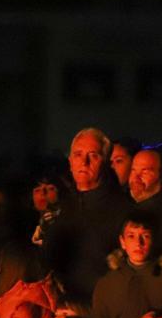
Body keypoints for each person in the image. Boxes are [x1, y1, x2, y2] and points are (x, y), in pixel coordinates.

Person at [43, 128, 131, 303]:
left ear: (106, 163)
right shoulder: (62, 207)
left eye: (93, 155)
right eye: (78, 155)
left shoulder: (124, 209)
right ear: (70, 161)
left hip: (100, 313)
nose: (84, 162)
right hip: (60, 310)